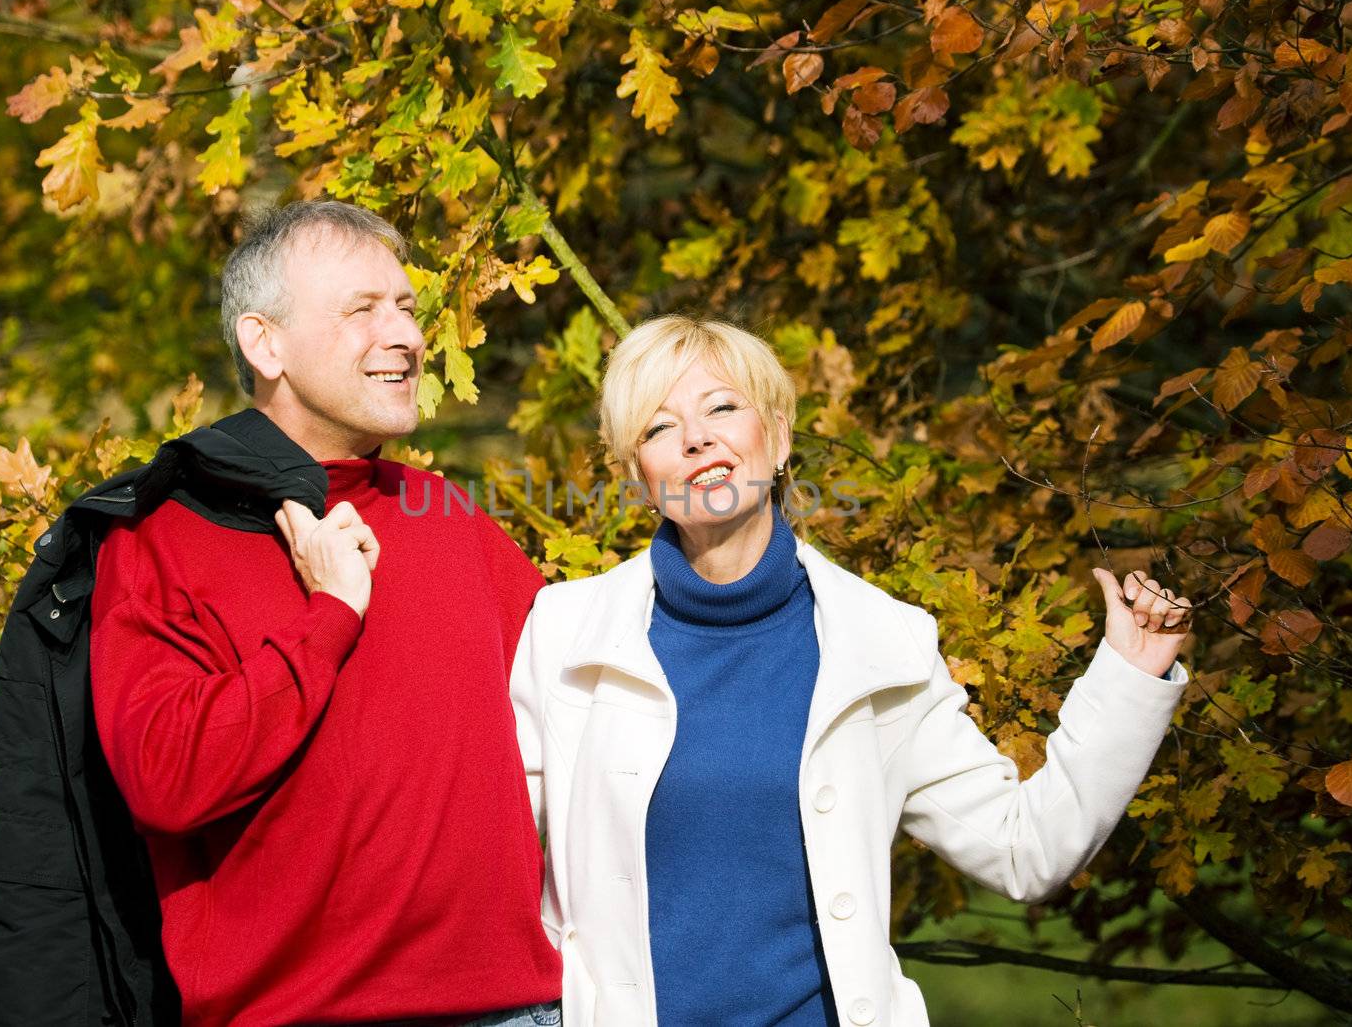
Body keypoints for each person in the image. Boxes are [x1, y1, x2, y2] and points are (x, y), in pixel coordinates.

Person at [509, 315, 1193, 1027]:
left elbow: (1027, 848)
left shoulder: (883, 644)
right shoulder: (567, 633)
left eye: (721, 407)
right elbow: (485, 858)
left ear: (775, 437)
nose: (696, 437)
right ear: (639, 478)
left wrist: (1129, 676)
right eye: (658, 427)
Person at [89, 201, 561, 1026]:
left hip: (515, 1010)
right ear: (263, 343)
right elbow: (166, 779)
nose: (407, 336)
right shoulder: (164, 538)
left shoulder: (448, 516)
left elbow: (590, 708)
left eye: (407, 308)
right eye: (362, 310)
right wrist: (329, 618)